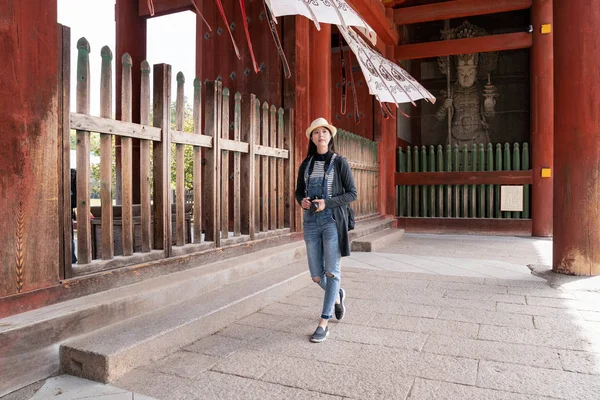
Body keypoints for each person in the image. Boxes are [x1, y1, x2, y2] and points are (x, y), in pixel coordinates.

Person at [295, 117, 357, 343]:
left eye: (324, 131)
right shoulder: (307, 164)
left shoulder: (340, 162)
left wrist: (326, 203)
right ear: (311, 138)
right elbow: (299, 192)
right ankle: (337, 294)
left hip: (332, 221)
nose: (320, 135)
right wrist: (302, 201)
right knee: (316, 275)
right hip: (310, 221)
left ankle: (324, 322)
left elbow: (352, 193)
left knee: (332, 272)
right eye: (316, 132)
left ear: (330, 137)